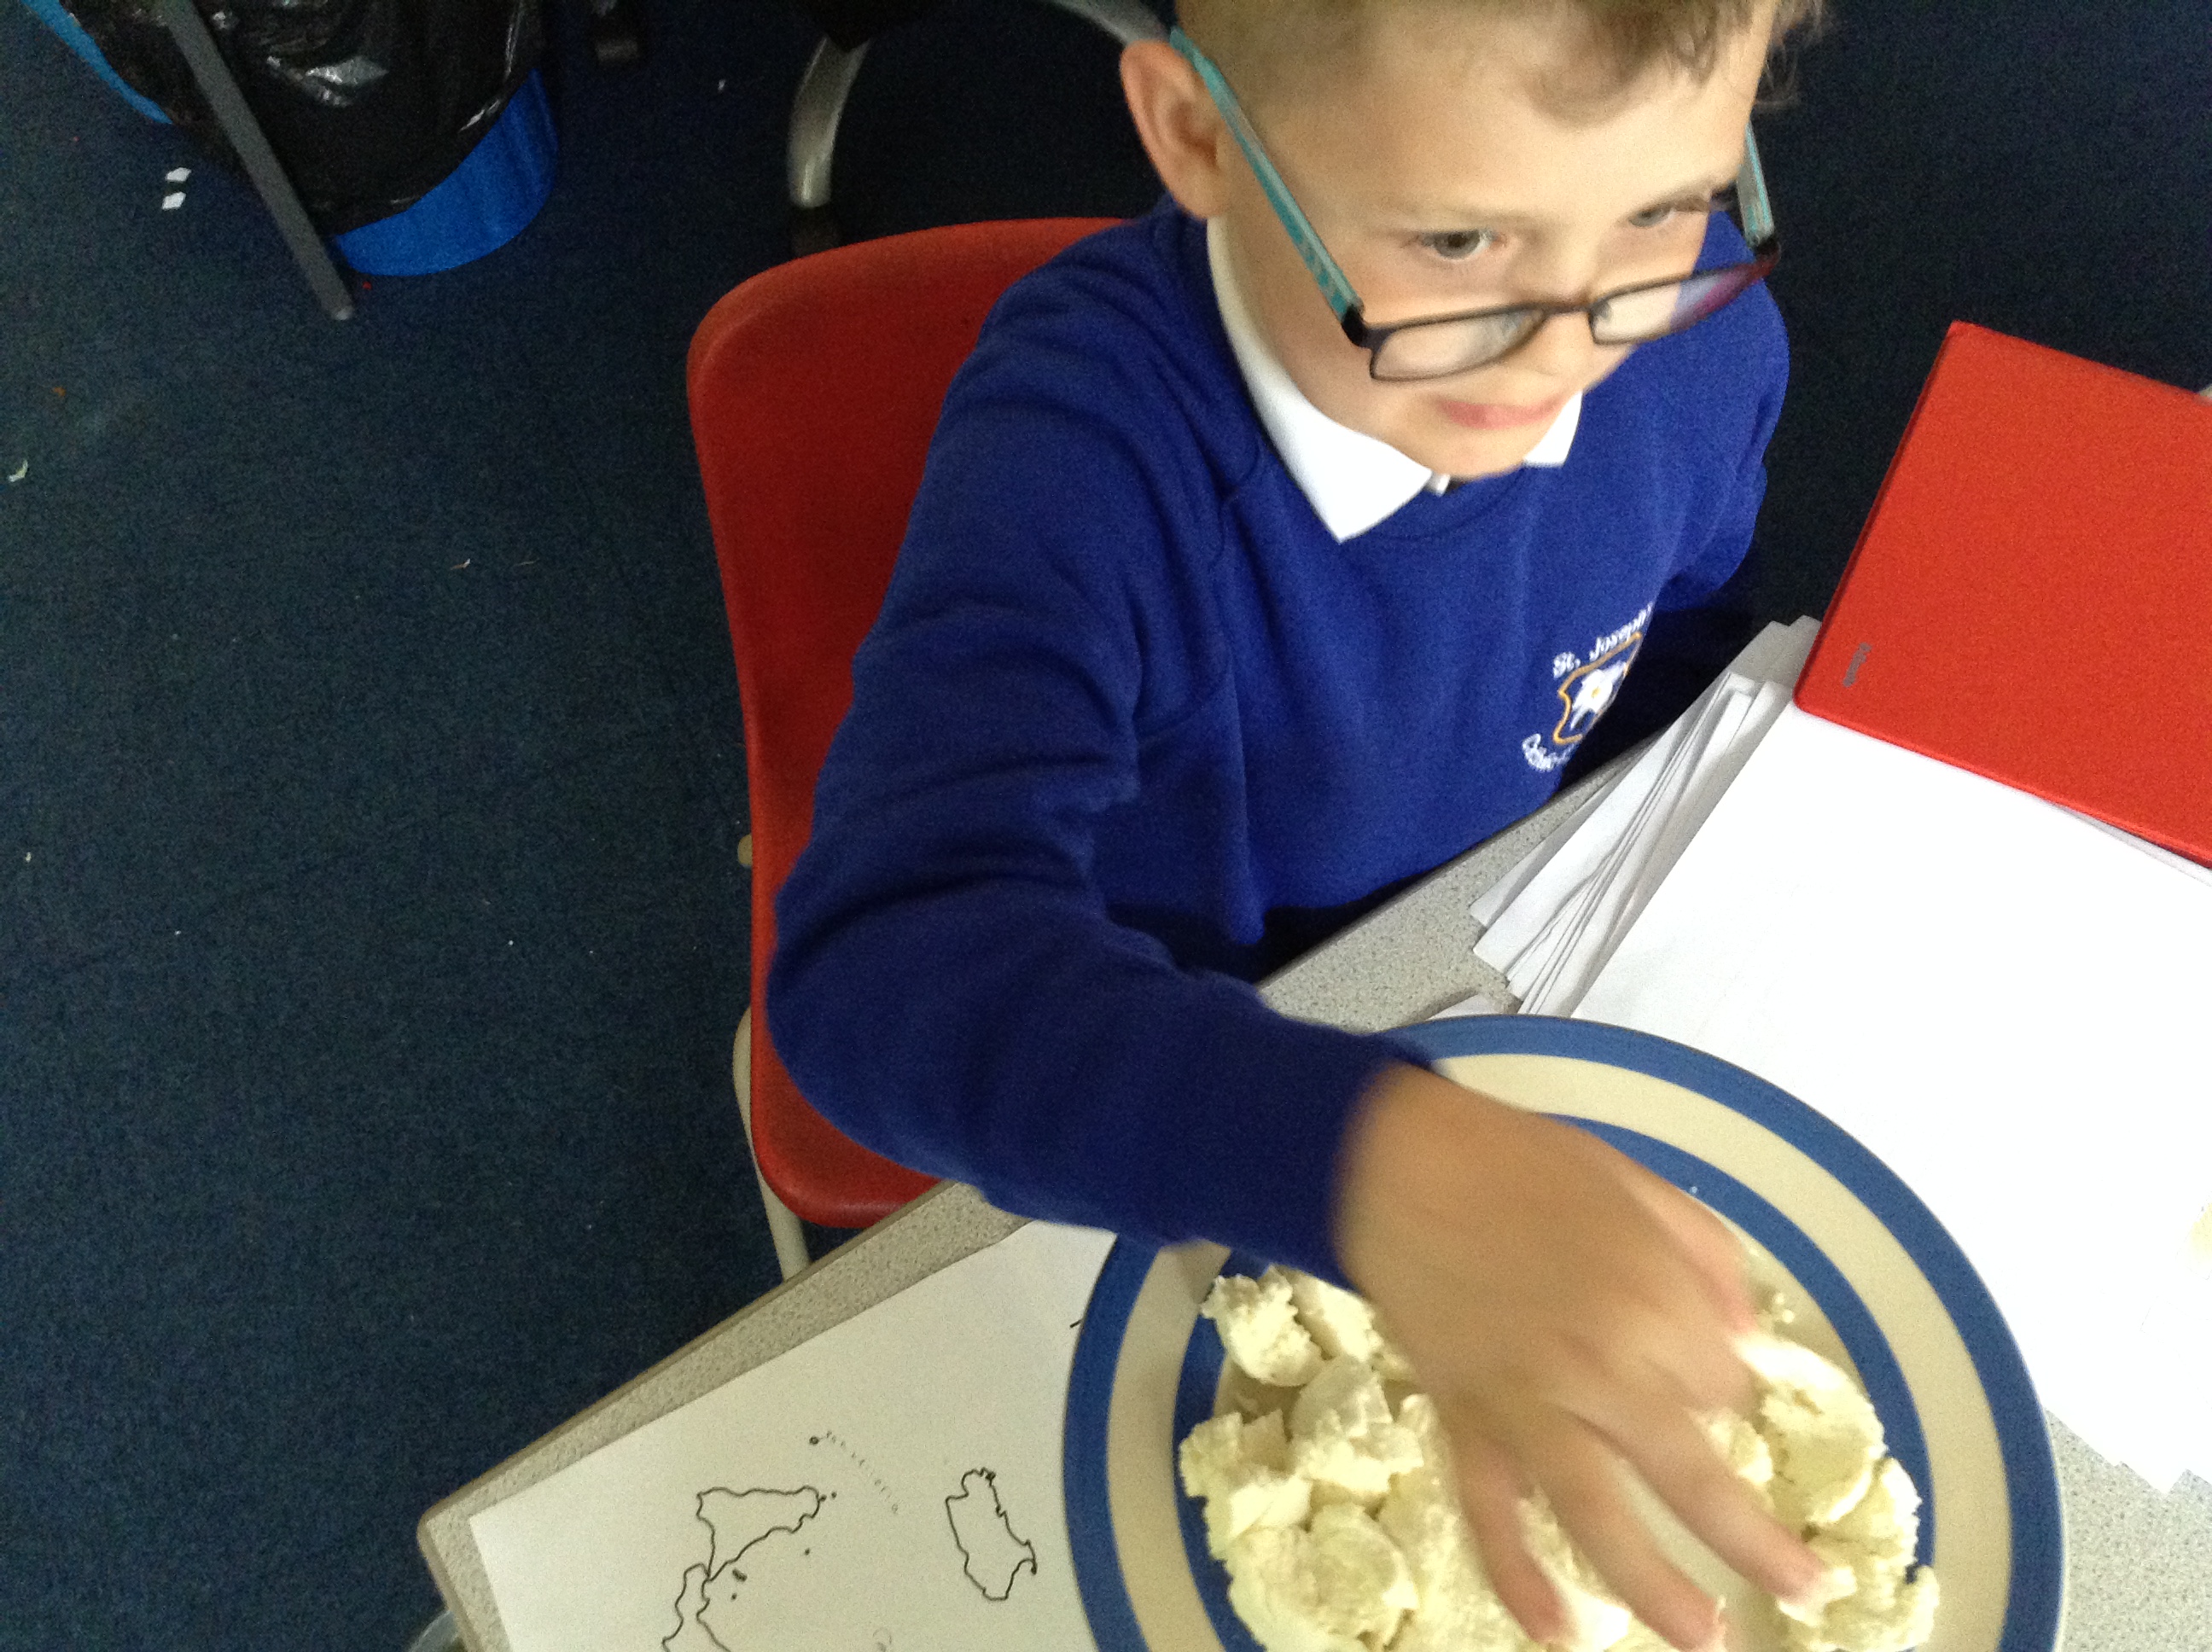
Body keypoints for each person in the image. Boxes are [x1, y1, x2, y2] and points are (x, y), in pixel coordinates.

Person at [771, 1, 1832, 1644]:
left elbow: (1673, 650)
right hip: (1173, 1061)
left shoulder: (1693, 352)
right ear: (1197, 133)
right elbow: (876, 970)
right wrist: (1377, 1165)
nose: (1565, 357)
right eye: (1461, 241)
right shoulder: (1090, 458)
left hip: (1492, 978)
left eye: (1664, 207)